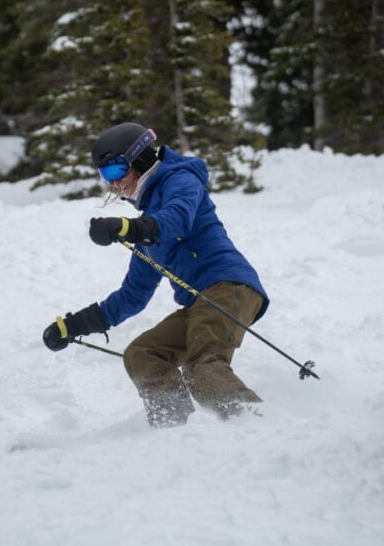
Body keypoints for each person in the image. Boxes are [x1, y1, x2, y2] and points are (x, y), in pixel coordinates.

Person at [42, 122, 269, 427]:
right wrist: (73, 325)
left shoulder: (181, 179)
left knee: (201, 365)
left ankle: (256, 427)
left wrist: (129, 228)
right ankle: (173, 426)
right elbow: (132, 296)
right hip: (199, 303)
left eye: (115, 171)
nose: (114, 183)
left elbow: (177, 217)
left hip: (230, 287)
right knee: (142, 353)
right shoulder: (148, 228)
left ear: (138, 158)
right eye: (105, 176)